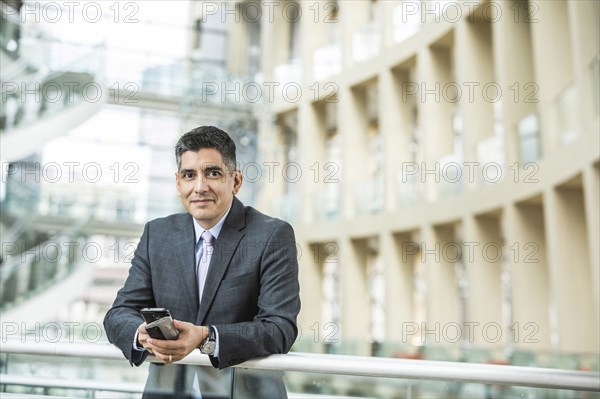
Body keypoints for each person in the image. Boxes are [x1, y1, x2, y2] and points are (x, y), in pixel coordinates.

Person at [104, 126, 301, 398]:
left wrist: (207, 337)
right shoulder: (157, 234)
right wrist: (141, 334)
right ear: (178, 183)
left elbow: (280, 328)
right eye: (189, 175)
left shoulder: (271, 235)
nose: (200, 187)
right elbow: (118, 313)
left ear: (236, 181)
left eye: (213, 173)